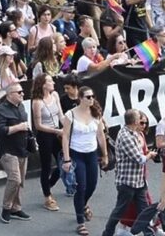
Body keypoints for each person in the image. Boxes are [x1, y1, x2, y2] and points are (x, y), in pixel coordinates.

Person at [100, 109, 157, 236]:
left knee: (144, 210)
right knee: (120, 210)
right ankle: (107, 233)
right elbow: (139, 159)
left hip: (138, 181)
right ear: (135, 121)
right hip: (127, 182)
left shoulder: (134, 133)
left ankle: (149, 233)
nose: (142, 122)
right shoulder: (126, 136)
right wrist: (150, 155)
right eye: (139, 119)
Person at [61, 86, 109, 235]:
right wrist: (67, 159)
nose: (91, 99)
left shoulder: (96, 113)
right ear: (80, 98)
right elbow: (65, 136)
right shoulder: (71, 115)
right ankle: (80, 221)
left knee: (92, 185)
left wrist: (105, 155)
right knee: (81, 186)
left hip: (91, 153)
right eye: (88, 97)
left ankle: (83, 204)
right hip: (77, 153)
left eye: (92, 96)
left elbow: (100, 135)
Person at [0, 83, 32, 224]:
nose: (22, 94)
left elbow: (26, 125)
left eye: (22, 92)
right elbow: (0, 130)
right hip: (8, 151)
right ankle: (6, 208)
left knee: (20, 181)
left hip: (22, 149)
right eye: (19, 92)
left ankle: (16, 208)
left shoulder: (21, 107)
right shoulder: (0, 111)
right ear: (9, 95)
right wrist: (19, 127)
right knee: (15, 179)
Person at [31, 74, 64, 212]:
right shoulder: (37, 102)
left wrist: (66, 128)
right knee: (46, 166)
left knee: (63, 161)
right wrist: (55, 131)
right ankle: (47, 196)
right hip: (45, 135)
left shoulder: (55, 95)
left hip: (58, 132)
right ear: (43, 84)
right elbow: (38, 125)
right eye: (50, 81)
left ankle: (49, 184)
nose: (53, 83)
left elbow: (60, 115)